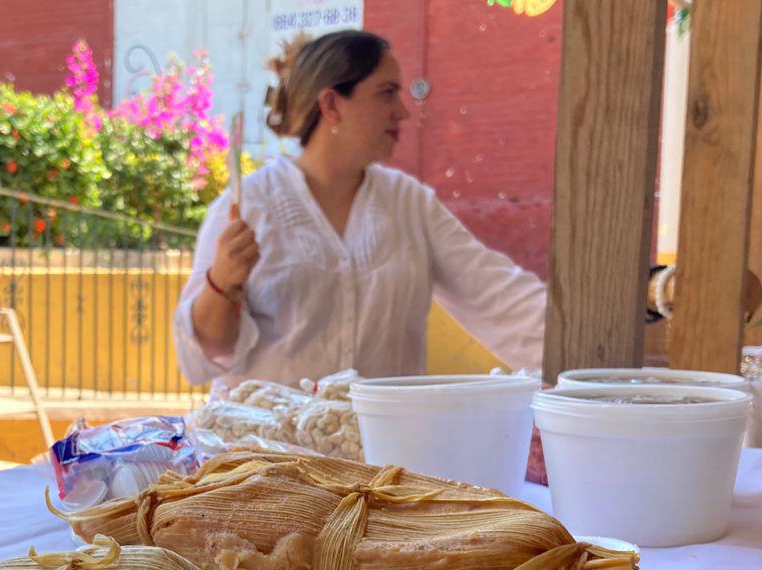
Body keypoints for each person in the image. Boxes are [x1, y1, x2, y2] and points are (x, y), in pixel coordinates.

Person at [174, 30, 546, 389]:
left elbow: (501, 299)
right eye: (386, 94)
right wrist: (222, 281)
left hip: (384, 450)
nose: (402, 112)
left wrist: (590, 350)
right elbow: (206, 353)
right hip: (270, 451)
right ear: (332, 104)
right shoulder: (249, 205)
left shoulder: (409, 205)